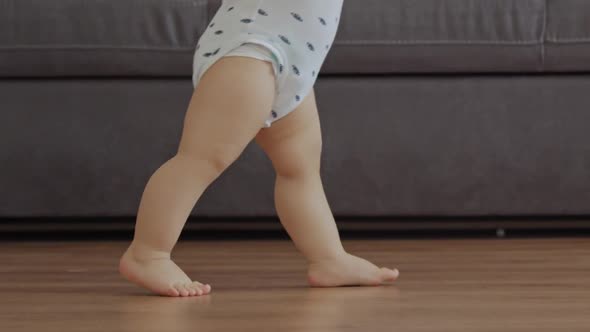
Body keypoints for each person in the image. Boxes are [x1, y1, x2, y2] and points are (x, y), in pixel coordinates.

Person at [119, 0, 399, 297]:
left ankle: (329, 258)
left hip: (293, 61)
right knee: (201, 159)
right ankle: (147, 253)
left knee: (299, 169)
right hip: (252, 50)